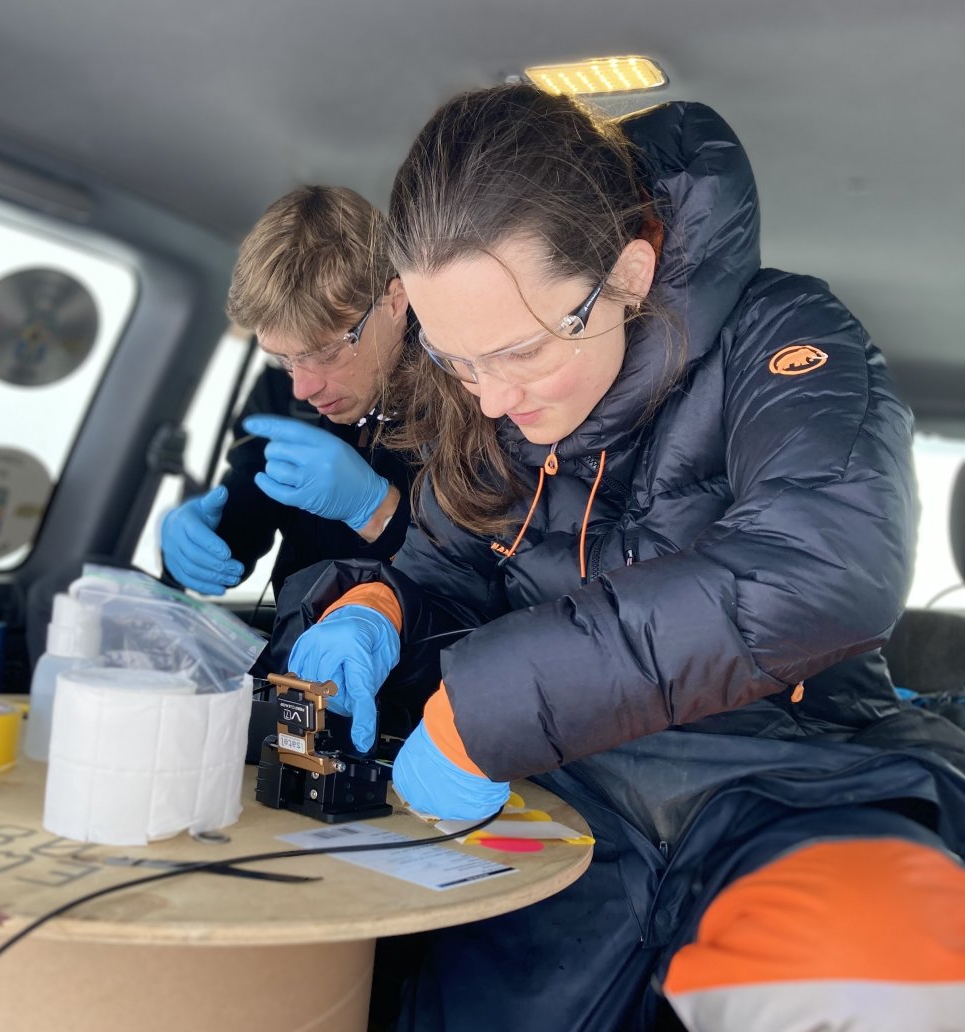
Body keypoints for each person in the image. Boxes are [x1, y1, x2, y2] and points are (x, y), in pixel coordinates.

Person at [272, 85, 965, 1031]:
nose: (484, 398)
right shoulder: (490, 418)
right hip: (555, 804)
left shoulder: (784, 333)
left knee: (870, 960)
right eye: (456, 359)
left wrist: (494, 711)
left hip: (786, 784)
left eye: (517, 352)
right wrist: (372, 611)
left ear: (630, 275)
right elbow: (442, 570)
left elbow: (827, 566)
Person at [159, 186, 416, 605]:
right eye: (284, 358)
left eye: (326, 353)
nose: (303, 386)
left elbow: (488, 572)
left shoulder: (470, 388)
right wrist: (203, 540)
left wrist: (381, 513)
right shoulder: (283, 392)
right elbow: (248, 506)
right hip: (291, 662)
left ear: (394, 301)